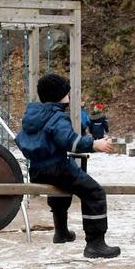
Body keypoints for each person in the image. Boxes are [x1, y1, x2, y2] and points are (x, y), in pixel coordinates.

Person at [15, 74, 119, 258]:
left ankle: (61, 232)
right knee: (94, 193)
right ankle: (95, 243)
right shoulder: (57, 117)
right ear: (60, 95)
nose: (69, 96)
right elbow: (69, 141)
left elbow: (21, 140)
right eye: (67, 93)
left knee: (61, 189)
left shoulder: (33, 116)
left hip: (37, 170)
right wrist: (94, 144)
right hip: (57, 167)